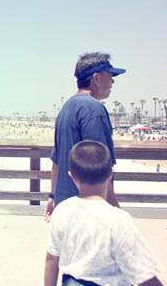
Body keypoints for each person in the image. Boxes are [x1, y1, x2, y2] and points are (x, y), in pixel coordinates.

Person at [44, 140, 162, 286]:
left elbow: (51, 259)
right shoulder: (119, 219)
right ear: (110, 175)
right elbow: (143, 273)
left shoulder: (62, 211)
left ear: (72, 176)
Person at [45, 52, 125, 221]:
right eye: (110, 76)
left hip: (63, 208)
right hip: (88, 212)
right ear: (97, 78)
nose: (113, 81)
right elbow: (100, 167)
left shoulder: (66, 108)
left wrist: (52, 196)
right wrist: (116, 212)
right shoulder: (94, 109)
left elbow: (56, 161)